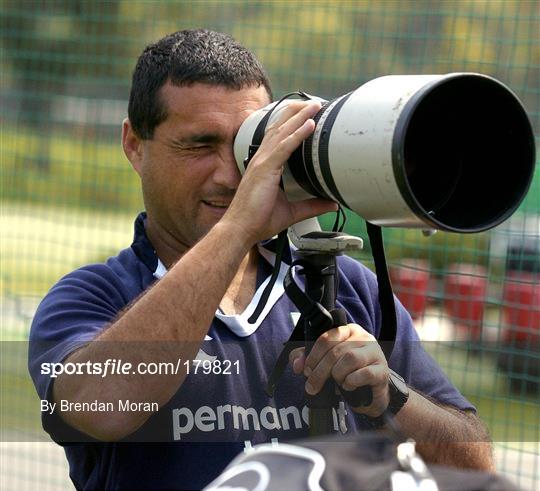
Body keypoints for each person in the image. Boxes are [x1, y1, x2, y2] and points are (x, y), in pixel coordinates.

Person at [29, 29, 493, 490]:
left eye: (246, 147)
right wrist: (239, 226)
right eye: (199, 145)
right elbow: (100, 407)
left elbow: (475, 468)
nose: (232, 176)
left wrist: (392, 396)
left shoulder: (345, 287)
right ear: (134, 144)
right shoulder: (92, 297)